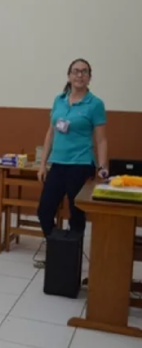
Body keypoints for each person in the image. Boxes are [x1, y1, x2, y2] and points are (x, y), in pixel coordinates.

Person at [37, 58, 108, 242]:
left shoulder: (95, 104)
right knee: (44, 210)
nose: (80, 75)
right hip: (58, 164)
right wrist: (42, 164)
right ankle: (58, 250)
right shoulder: (58, 100)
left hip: (81, 164)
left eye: (84, 72)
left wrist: (101, 167)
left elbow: (101, 140)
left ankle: (71, 258)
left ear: (89, 78)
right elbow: (50, 133)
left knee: (76, 214)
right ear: (69, 76)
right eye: (76, 71)